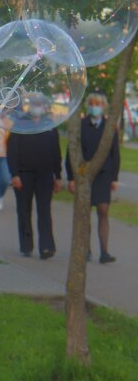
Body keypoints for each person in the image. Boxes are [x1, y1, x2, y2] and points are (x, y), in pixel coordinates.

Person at [66, 92, 120, 263]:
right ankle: (85, 249)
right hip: (84, 175)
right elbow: (71, 151)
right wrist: (71, 177)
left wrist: (114, 177)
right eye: (92, 103)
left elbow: (115, 153)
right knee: (85, 213)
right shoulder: (81, 125)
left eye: (98, 104)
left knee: (103, 210)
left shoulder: (109, 127)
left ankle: (104, 252)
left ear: (103, 106)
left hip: (104, 175)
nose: (94, 107)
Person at [7, 98, 62, 259]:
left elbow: (56, 152)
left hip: (45, 175)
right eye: (34, 104)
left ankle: (46, 246)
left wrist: (57, 176)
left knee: (44, 210)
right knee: (24, 210)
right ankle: (26, 245)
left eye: (39, 105)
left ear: (44, 107)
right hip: (24, 174)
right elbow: (12, 151)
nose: (36, 108)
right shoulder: (21, 124)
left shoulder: (49, 125)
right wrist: (14, 174)